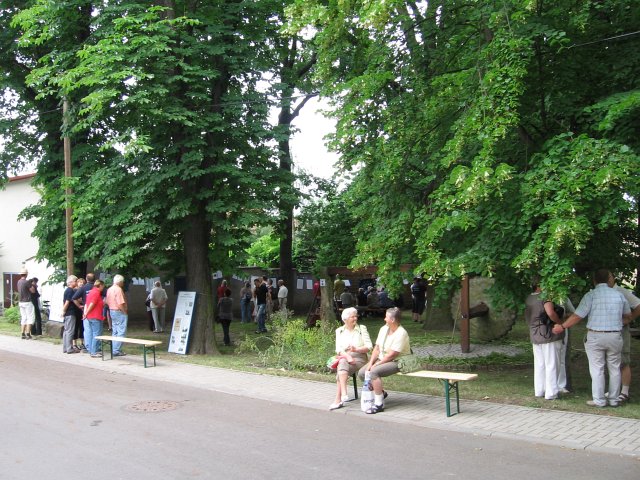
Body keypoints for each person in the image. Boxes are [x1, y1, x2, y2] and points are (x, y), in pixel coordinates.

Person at [552, 269, 631, 407]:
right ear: (608, 279)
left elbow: (577, 316)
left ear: (594, 280)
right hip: (614, 335)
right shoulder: (619, 295)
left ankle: (599, 400)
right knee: (614, 368)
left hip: (595, 336)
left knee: (597, 369)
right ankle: (613, 400)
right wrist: (616, 323)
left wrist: (562, 326)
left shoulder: (591, 296)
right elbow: (628, 316)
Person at [358, 307, 411, 414]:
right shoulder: (384, 329)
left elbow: (392, 355)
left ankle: (379, 404)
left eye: (386, 317)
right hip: (383, 358)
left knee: (373, 372)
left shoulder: (401, 333)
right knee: (362, 373)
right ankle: (381, 392)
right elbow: (377, 348)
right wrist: (371, 362)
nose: (384, 319)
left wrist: (376, 365)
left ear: (392, 320)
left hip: (398, 361)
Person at [524, 281, 564, 400]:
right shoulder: (545, 297)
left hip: (535, 333)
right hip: (548, 333)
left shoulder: (528, 298)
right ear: (540, 285)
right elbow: (550, 313)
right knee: (551, 363)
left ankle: (539, 390)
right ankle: (551, 392)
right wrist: (560, 323)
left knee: (540, 364)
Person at [330, 307, 372, 410]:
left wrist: (356, 349)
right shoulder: (339, 331)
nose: (355, 318)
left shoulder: (362, 329)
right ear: (345, 319)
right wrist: (348, 356)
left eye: (355, 316)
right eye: (352, 317)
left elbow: (369, 346)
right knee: (343, 361)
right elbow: (338, 349)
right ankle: (343, 393)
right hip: (345, 357)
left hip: (360, 358)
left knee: (341, 367)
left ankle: (339, 399)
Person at [608, 272, 640, 404]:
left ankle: (624, 392)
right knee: (610, 361)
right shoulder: (601, 293)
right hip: (607, 331)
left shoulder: (622, 292)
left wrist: (629, 319)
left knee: (623, 360)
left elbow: (638, 305)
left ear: (613, 278)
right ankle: (613, 390)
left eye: (608, 277)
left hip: (621, 331)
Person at [82, 279, 106, 358]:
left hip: (91, 316)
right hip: (95, 316)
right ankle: (94, 352)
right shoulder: (96, 292)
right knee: (96, 334)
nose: (103, 288)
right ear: (100, 285)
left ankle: (92, 350)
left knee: (93, 334)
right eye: (103, 286)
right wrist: (86, 313)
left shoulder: (91, 292)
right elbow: (92, 304)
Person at [105, 275, 128, 356]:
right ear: (120, 282)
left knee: (115, 330)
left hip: (112, 310)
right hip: (119, 311)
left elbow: (107, 301)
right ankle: (116, 350)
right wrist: (124, 312)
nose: (123, 283)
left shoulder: (109, 289)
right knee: (121, 331)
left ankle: (114, 348)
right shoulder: (118, 290)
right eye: (122, 282)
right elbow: (120, 303)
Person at [61, 275, 80, 354]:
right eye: (75, 281)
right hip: (70, 312)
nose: (76, 282)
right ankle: (69, 348)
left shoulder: (67, 290)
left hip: (68, 313)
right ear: (71, 282)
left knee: (66, 330)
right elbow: (67, 302)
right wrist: (63, 311)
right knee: (70, 331)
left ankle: (65, 347)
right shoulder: (70, 291)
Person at [17, 269, 35, 339]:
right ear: (26, 274)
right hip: (27, 302)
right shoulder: (27, 282)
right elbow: (32, 291)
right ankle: (28, 333)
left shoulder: (19, 282)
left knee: (23, 318)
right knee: (30, 317)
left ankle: (22, 333)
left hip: (21, 302)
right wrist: (32, 285)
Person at [74, 278, 87, 351]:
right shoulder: (75, 290)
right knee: (75, 327)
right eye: (80, 282)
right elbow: (76, 299)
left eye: (83, 282)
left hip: (82, 311)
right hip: (76, 310)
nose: (81, 283)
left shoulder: (83, 290)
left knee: (82, 327)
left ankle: (82, 342)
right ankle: (74, 343)